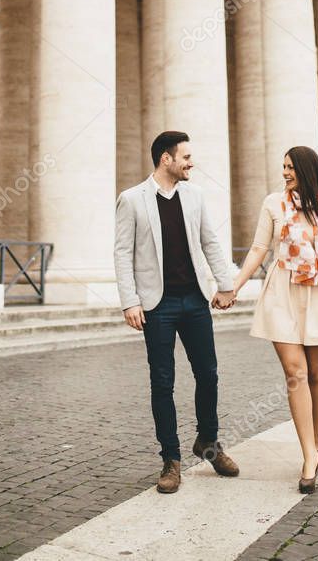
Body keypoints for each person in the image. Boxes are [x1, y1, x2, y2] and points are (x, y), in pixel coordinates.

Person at [114, 130, 240, 494]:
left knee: (209, 374)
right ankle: (171, 459)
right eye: (185, 157)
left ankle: (209, 444)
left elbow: (209, 241)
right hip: (158, 305)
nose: (191, 163)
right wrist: (130, 300)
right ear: (165, 159)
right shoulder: (132, 199)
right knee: (163, 382)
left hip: (195, 300)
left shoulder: (195, 195)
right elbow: (122, 252)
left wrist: (225, 284)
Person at [232, 146, 318, 494]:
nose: (285, 172)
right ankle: (307, 455)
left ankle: (316, 446)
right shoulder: (273, 203)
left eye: (290, 167)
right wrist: (234, 288)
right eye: (283, 167)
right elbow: (258, 250)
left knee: (315, 374)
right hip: (282, 293)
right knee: (295, 373)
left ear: (306, 169)